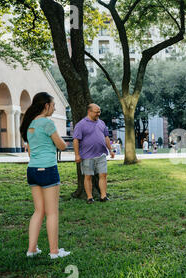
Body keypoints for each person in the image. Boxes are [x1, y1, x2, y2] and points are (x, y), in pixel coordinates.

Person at [19, 92, 70, 259]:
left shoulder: (29, 124)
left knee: (38, 211)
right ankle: (54, 251)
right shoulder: (47, 123)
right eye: (53, 105)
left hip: (32, 170)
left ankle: (31, 249)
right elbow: (61, 146)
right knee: (52, 212)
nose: (54, 108)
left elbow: (30, 150)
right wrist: (64, 143)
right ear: (46, 105)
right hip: (48, 169)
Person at [73, 103, 115, 204]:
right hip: (87, 156)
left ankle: (103, 196)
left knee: (103, 175)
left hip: (101, 154)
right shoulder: (81, 124)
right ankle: (89, 197)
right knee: (88, 176)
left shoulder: (102, 123)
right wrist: (77, 154)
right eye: (96, 112)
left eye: (99, 112)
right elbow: (76, 140)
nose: (98, 114)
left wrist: (110, 150)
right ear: (89, 112)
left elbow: (106, 137)